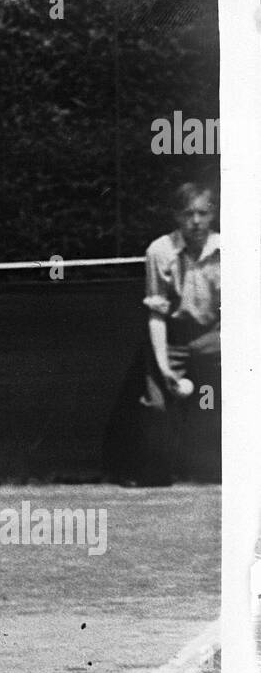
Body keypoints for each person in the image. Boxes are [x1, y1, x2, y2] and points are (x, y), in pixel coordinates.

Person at [135, 182, 220, 484]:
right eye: (188, 214)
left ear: (212, 215)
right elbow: (156, 314)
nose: (195, 221)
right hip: (172, 338)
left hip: (216, 337)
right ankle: (156, 478)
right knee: (157, 405)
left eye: (202, 213)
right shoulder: (159, 251)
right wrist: (164, 368)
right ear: (176, 217)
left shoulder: (231, 249)